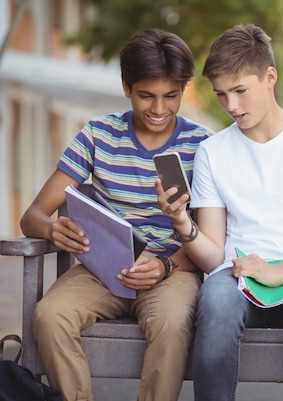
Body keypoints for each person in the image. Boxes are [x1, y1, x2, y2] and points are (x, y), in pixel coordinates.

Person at [156, 23, 283, 401]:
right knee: (214, 310)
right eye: (221, 95)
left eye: (240, 91)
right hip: (236, 278)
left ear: (269, 77)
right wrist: (181, 222)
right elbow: (213, 254)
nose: (231, 105)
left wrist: (278, 272)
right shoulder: (213, 152)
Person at [21, 28, 212, 401]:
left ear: (184, 89)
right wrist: (52, 228)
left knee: (173, 324)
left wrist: (166, 266)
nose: (159, 109)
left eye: (171, 96)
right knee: (50, 314)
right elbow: (33, 215)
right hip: (102, 271)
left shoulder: (203, 145)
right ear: (126, 86)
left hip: (172, 270)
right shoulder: (98, 135)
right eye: (146, 96)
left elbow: (210, 234)